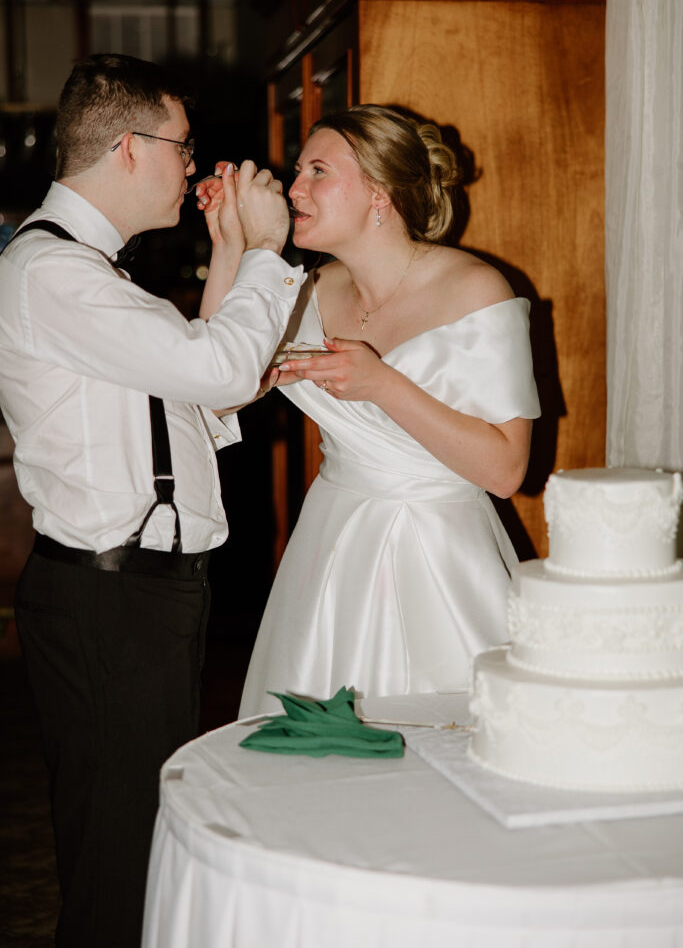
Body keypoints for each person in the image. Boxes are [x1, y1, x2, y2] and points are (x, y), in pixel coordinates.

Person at [0, 53, 302, 948]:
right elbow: (222, 368)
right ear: (129, 148)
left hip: (134, 594)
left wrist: (230, 249)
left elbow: (198, 390)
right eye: (183, 146)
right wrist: (269, 249)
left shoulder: (86, 269)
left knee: (137, 842)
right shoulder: (54, 273)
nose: (191, 163)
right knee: (118, 858)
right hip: (110, 596)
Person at [205, 104, 540, 718]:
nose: (294, 188)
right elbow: (218, 388)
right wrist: (232, 242)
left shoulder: (475, 290)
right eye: (298, 171)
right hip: (330, 545)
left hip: (439, 560)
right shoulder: (308, 291)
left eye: (318, 171)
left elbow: (505, 471)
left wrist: (382, 384)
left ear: (380, 193)